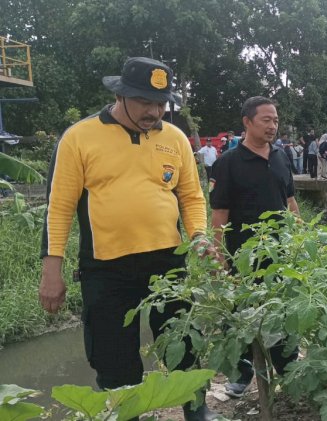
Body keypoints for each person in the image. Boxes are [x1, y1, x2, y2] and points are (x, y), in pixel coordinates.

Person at [38, 57, 217, 421]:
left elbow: (192, 197)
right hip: (106, 268)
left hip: (168, 261)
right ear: (120, 96)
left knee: (183, 345)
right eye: (145, 102)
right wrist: (51, 271)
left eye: (161, 103)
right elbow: (58, 209)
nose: (154, 111)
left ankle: (198, 413)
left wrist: (198, 235)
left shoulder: (175, 138)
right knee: (115, 358)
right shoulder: (79, 137)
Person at [209, 96, 300, 398]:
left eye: (275, 120)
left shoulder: (281, 156)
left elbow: (290, 201)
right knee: (240, 318)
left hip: (280, 254)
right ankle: (242, 373)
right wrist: (219, 259)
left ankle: (288, 370)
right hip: (243, 259)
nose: (273, 125)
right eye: (266, 120)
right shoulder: (227, 164)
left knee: (282, 313)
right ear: (247, 122)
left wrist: (301, 239)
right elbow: (219, 216)